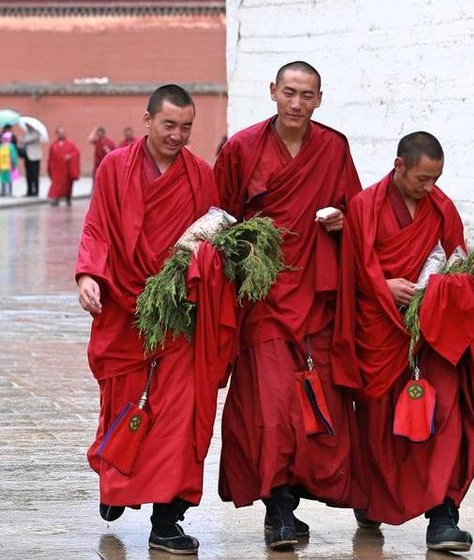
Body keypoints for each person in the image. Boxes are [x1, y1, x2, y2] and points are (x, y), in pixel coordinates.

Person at [76, 84, 236, 556]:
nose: (178, 135)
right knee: (127, 405)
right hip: (125, 312)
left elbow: (213, 238)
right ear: (147, 121)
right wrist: (88, 275)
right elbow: (96, 226)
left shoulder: (200, 175)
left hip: (181, 315)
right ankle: (118, 481)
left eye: (186, 127)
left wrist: (204, 272)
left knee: (181, 416)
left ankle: (167, 519)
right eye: (169, 125)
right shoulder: (114, 168)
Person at [214, 60, 366, 550]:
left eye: (307, 95)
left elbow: (357, 211)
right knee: (270, 406)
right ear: (273, 92)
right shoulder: (242, 148)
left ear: (319, 99)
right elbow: (220, 220)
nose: (297, 104)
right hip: (264, 297)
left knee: (316, 406)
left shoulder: (334, 146)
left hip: (318, 294)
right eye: (289, 93)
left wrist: (343, 221)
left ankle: (294, 497)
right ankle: (277, 508)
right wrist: (245, 252)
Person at [333, 132, 474, 552]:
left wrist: (445, 291)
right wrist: (383, 286)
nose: (430, 188)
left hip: (434, 334)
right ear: (399, 166)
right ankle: (373, 497)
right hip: (379, 331)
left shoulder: (443, 208)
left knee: (444, 418)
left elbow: (457, 263)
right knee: (380, 426)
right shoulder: (364, 207)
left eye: (436, 179)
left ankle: (443, 515)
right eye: (422, 179)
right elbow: (351, 270)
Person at [47, 127, 80, 206]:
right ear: (57, 134)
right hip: (57, 169)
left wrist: (70, 156)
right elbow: (50, 157)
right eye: (60, 133)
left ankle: (68, 198)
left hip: (67, 169)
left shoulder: (70, 144)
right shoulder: (53, 145)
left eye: (63, 132)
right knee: (56, 184)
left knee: (67, 185)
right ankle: (55, 198)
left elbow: (76, 153)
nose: (62, 134)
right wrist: (49, 167)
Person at [22, 123, 42, 197]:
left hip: (35, 157)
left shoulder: (36, 133)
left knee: (35, 175)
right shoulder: (27, 133)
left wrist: (24, 139)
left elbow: (27, 140)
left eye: (28, 125)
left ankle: (36, 191)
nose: (27, 127)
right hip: (27, 156)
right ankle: (29, 191)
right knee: (28, 175)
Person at [0, 132, 18, 197]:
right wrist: (14, 164)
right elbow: (14, 156)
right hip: (5, 166)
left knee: (6, 179)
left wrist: (14, 164)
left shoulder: (6, 147)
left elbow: (13, 156)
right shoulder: (9, 146)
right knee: (5, 179)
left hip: (6, 166)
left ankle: (5, 192)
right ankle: (6, 192)